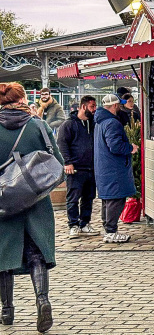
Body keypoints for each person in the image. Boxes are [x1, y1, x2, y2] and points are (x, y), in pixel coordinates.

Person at [0, 82, 64, 333]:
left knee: (4, 255)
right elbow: (58, 164)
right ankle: (42, 300)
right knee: (36, 252)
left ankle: (7, 311)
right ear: (23, 100)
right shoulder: (38, 125)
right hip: (36, 201)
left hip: (3, 202)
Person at [94, 94, 137, 244]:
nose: (120, 107)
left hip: (104, 167)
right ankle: (111, 232)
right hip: (114, 168)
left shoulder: (100, 122)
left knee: (107, 199)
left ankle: (108, 229)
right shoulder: (112, 123)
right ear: (114, 106)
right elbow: (116, 146)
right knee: (116, 199)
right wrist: (131, 148)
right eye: (119, 104)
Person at [57, 95, 98, 239]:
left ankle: (84, 223)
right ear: (83, 106)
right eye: (92, 106)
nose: (94, 109)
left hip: (91, 167)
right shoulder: (69, 124)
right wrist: (67, 162)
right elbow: (62, 144)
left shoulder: (94, 123)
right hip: (75, 168)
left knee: (89, 197)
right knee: (73, 198)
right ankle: (73, 225)